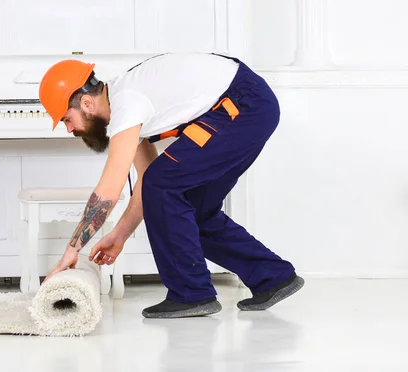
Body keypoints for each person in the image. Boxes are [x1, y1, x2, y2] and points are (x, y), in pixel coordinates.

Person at [38, 52, 304, 319]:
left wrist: (70, 253)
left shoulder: (127, 103)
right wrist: (119, 235)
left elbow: (109, 190)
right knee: (190, 207)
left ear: (86, 102)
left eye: (66, 119)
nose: (69, 129)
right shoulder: (126, 109)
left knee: (164, 183)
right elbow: (146, 181)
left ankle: (191, 294)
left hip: (244, 105)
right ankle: (273, 277)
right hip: (248, 107)